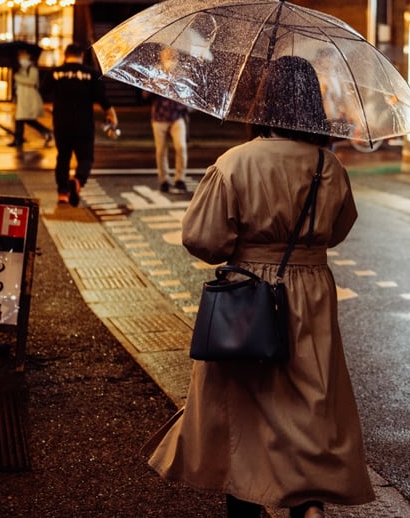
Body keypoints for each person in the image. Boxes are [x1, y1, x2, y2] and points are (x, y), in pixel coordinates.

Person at [144, 55, 374, 518]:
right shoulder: (327, 166)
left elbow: (201, 238)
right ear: (312, 104)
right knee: (308, 401)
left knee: (245, 409)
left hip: (249, 294)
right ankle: (307, 501)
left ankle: (246, 502)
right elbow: (340, 226)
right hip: (311, 294)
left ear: (263, 102)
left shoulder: (236, 163)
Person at [49, 43, 118, 206]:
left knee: (63, 157)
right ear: (81, 55)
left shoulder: (56, 73)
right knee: (86, 158)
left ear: (65, 55)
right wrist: (111, 114)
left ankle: (63, 193)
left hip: (61, 123)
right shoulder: (91, 74)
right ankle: (78, 180)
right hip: (83, 124)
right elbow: (102, 98)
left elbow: (43, 91)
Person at [150, 48, 190, 194]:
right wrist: (158, 82)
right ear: (162, 57)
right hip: (159, 117)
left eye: (173, 57)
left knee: (181, 147)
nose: (170, 59)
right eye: (167, 56)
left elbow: (187, 95)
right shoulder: (156, 73)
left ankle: (180, 178)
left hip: (176, 116)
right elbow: (145, 94)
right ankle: (164, 180)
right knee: (161, 151)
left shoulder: (181, 74)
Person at [9, 50, 53, 148]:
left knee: (22, 118)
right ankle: (19, 139)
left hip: (29, 98)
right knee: (22, 119)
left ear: (28, 56)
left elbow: (33, 81)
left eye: (22, 55)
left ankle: (19, 139)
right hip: (22, 98)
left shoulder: (32, 68)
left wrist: (17, 78)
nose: (20, 57)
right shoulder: (20, 69)